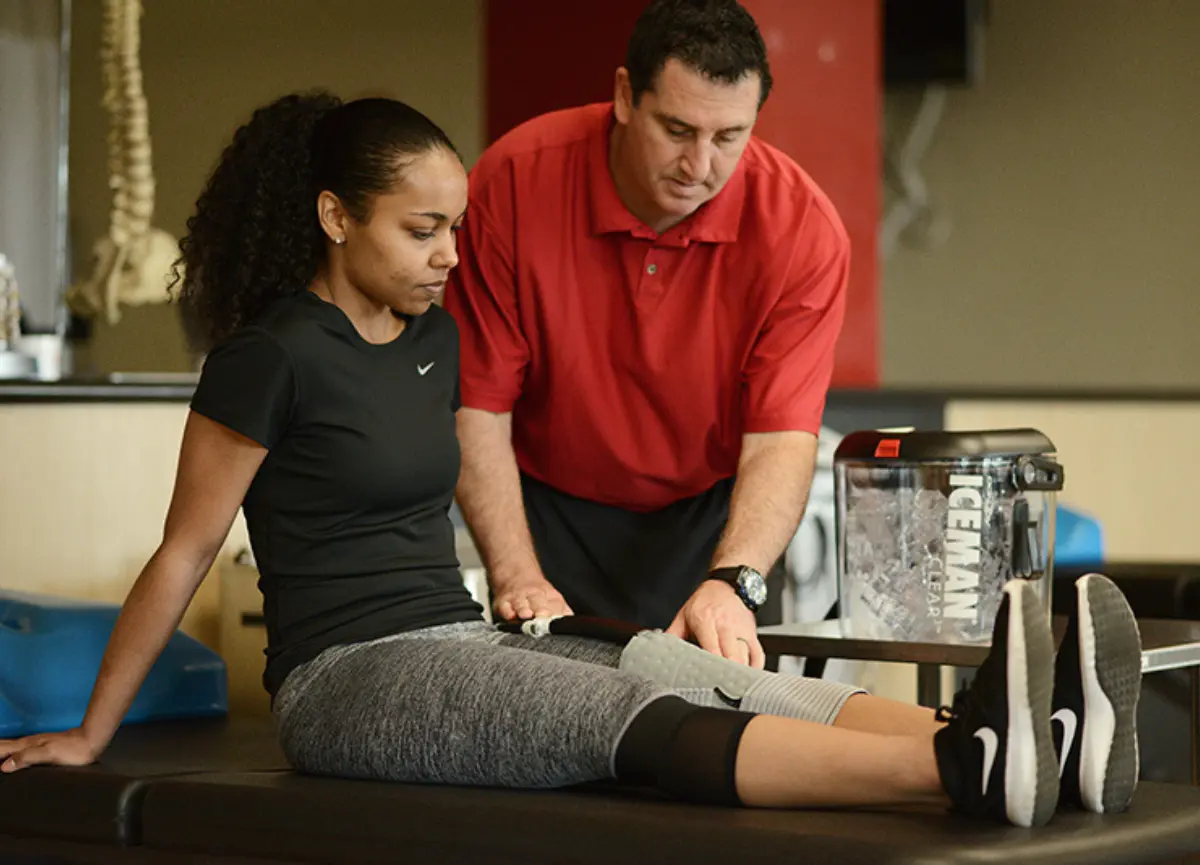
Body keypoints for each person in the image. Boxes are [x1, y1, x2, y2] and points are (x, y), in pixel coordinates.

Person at [0, 92, 1142, 831]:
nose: (451, 255)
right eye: (420, 230)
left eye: (455, 227)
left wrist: (517, 578)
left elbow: (492, 438)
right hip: (346, 680)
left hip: (458, 634)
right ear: (334, 218)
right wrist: (91, 735)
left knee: (691, 669)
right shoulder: (268, 359)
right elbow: (185, 551)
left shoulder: (434, 338)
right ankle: (964, 768)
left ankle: (1030, 735)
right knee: (621, 719)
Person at [444, 0, 849, 669]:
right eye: (677, 129)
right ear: (626, 95)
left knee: (702, 720)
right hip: (546, 501)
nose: (700, 165)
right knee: (549, 723)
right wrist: (516, 574)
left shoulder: (801, 228)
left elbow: (780, 437)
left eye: (729, 137)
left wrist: (734, 581)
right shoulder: (512, 183)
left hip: (713, 511)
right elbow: (478, 409)